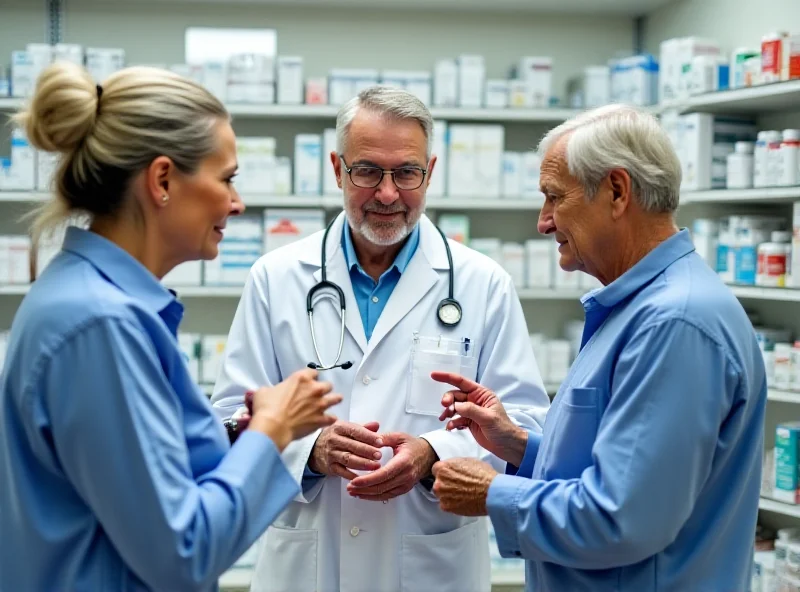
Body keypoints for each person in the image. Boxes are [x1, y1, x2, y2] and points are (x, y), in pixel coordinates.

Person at [0, 62, 343, 592]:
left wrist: (249, 433)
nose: (237, 202)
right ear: (162, 180)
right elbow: (183, 553)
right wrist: (269, 433)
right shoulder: (100, 325)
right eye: (226, 178)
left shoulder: (97, 302)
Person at [210, 86, 550, 592]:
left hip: (431, 564)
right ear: (337, 168)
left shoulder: (484, 284)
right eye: (367, 171)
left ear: (430, 172)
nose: (388, 194)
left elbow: (521, 426)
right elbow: (230, 419)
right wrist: (310, 450)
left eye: (406, 173)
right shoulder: (276, 277)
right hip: (307, 564)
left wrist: (432, 452)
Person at [430, 104, 767, 591]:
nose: (543, 222)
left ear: (616, 191)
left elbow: (623, 518)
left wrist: (494, 494)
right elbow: (627, 468)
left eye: (554, 198)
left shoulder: (674, 323)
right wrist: (520, 447)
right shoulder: (638, 309)